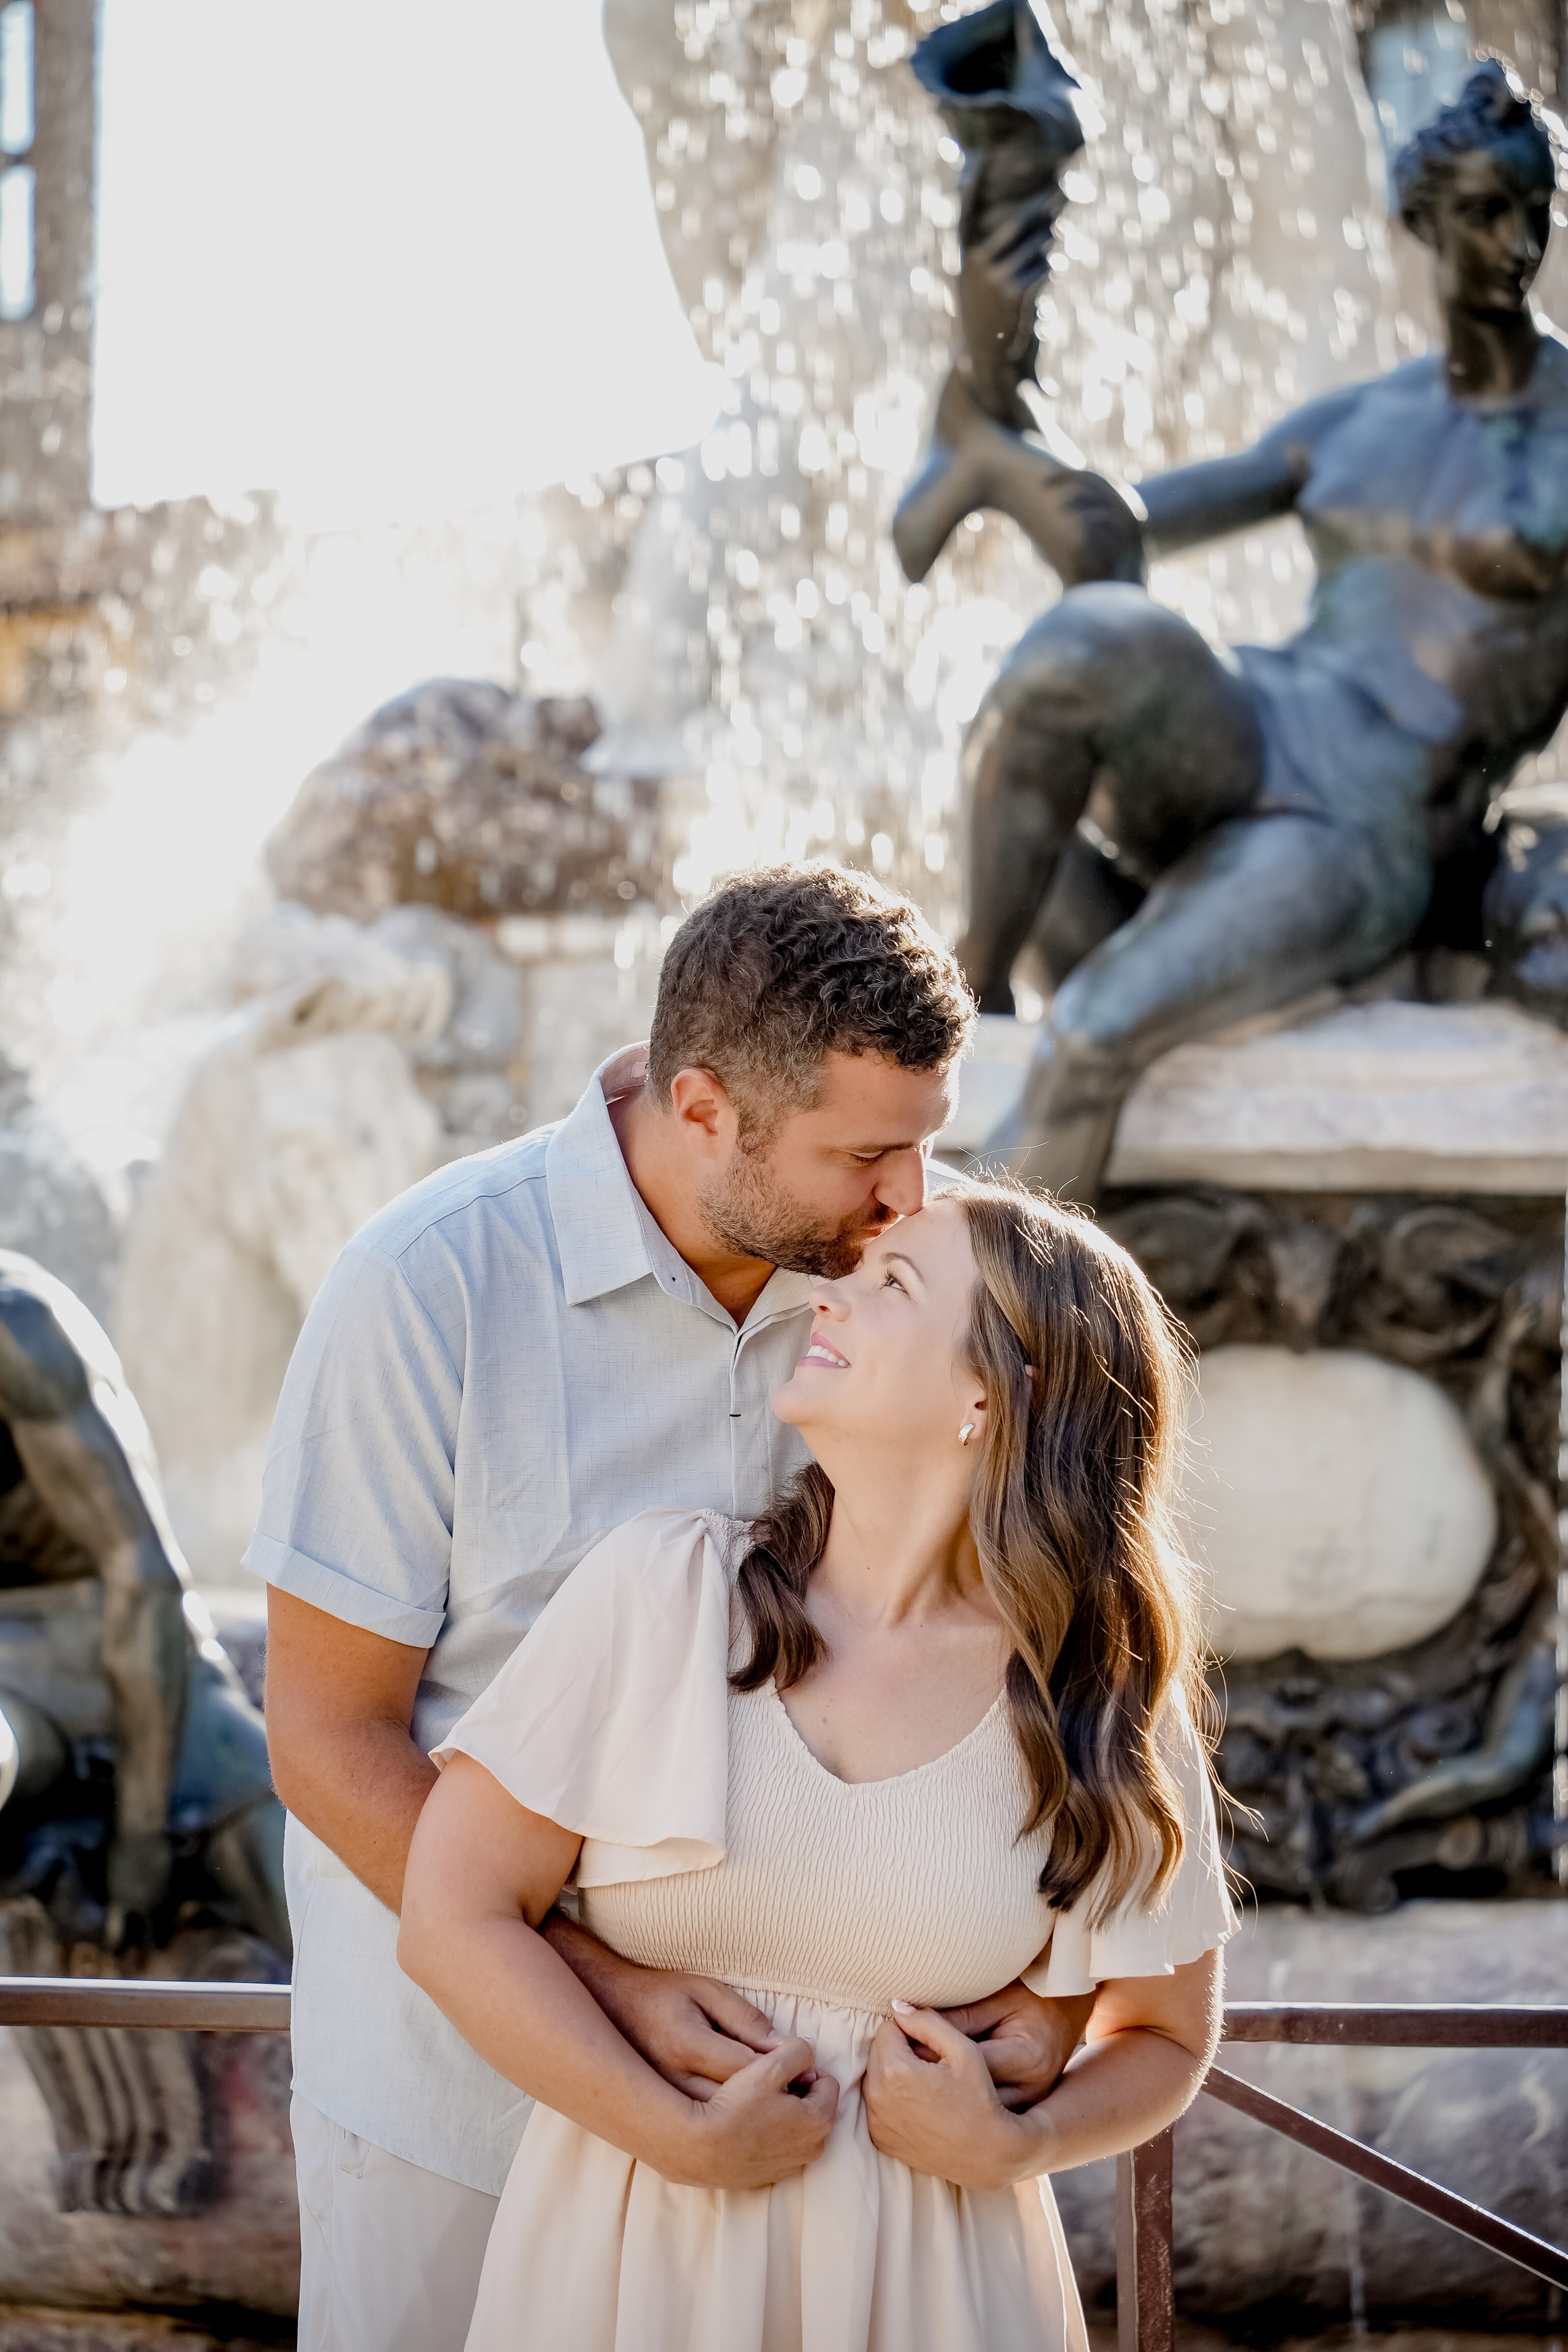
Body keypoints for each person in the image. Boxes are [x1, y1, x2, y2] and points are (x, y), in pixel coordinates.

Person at [255, 865, 1090, 2352]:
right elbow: (325, 1737)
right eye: (865, 1155)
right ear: (701, 1108)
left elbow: (1024, 1627)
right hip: (451, 2108)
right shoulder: (425, 1285)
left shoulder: (903, 1286)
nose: (913, 1197)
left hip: (789, 2155)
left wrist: (1050, 2000)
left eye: (924, 1147)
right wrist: (606, 1989)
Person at [401, 1180, 1233, 2352]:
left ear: (992, 1394)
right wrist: (671, 2134)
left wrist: (1022, 2145)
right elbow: (453, 1917)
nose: (829, 1300)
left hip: (937, 2292)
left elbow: (1163, 2032)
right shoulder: (664, 1594)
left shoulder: (1095, 1694)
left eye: (891, 1284)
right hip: (630, 2272)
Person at [905, 58, 1568, 1200]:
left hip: (1368, 823)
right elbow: (1115, 534)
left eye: (1532, 213)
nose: (1513, 246)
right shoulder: (1355, 423)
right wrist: (1002, 351)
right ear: (1421, 221)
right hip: (1260, 722)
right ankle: (969, 993)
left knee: (1095, 1035)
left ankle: (981, 1327)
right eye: (1482, 213)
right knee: (1090, 638)